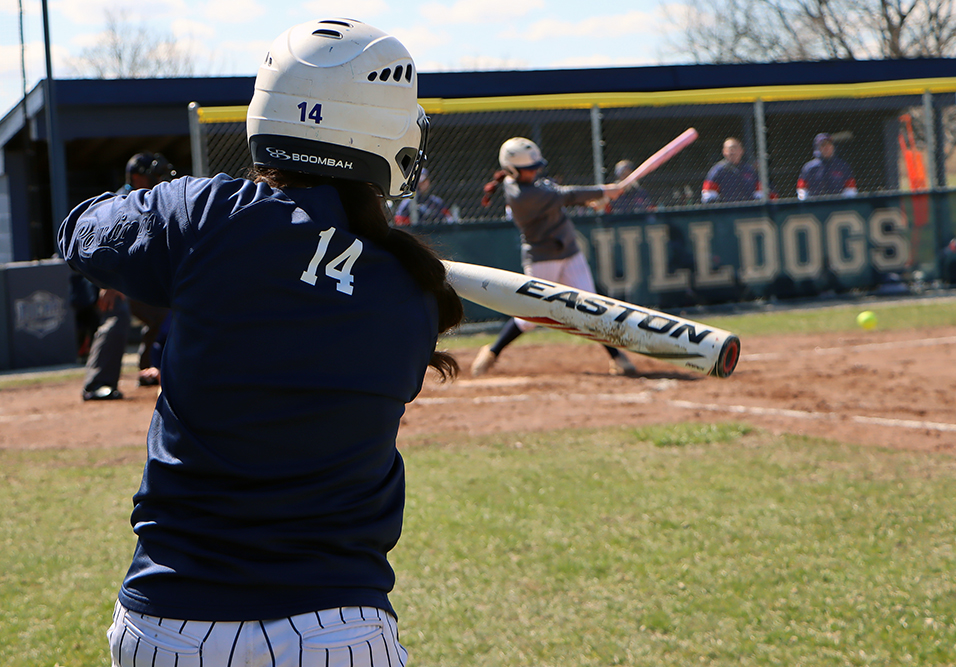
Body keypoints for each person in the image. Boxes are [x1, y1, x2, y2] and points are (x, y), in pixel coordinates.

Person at [59, 18, 462, 667]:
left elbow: (81, 232)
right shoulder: (413, 292)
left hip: (169, 621)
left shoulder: (204, 215)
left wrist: (164, 204)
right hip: (338, 624)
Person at [474, 137, 637, 377]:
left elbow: (556, 195)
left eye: (535, 167)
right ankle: (492, 351)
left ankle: (616, 358)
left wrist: (594, 199)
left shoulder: (534, 186)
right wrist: (605, 191)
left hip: (569, 251)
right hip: (542, 258)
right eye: (528, 169)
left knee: (591, 306)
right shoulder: (519, 194)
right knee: (530, 318)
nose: (535, 171)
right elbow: (564, 196)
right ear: (512, 170)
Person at [78, 152, 176, 400]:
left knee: (164, 315)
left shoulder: (157, 200)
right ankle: (97, 384)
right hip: (102, 280)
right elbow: (103, 246)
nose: (157, 180)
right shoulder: (119, 200)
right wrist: (109, 281)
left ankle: (149, 370)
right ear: (135, 177)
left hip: (130, 281)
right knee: (118, 316)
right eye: (152, 176)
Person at [701, 137, 764, 203]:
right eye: (729, 149)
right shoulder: (717, 171)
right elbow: (708, 195)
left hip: (748, 210)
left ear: (741, 151)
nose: (732, 151)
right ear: (724, 152)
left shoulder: (750, 170)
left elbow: (760, 192)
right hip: (726, 211)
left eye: (735, 148)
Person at [797, 133, 858, 199]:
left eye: (829, 144)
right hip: (815, 205)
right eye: (823, 145)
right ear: (817, 148)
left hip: (839, 204)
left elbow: (851, 188)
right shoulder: (809, 168)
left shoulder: (843, 166)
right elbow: (802, 189)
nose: (827, 148)